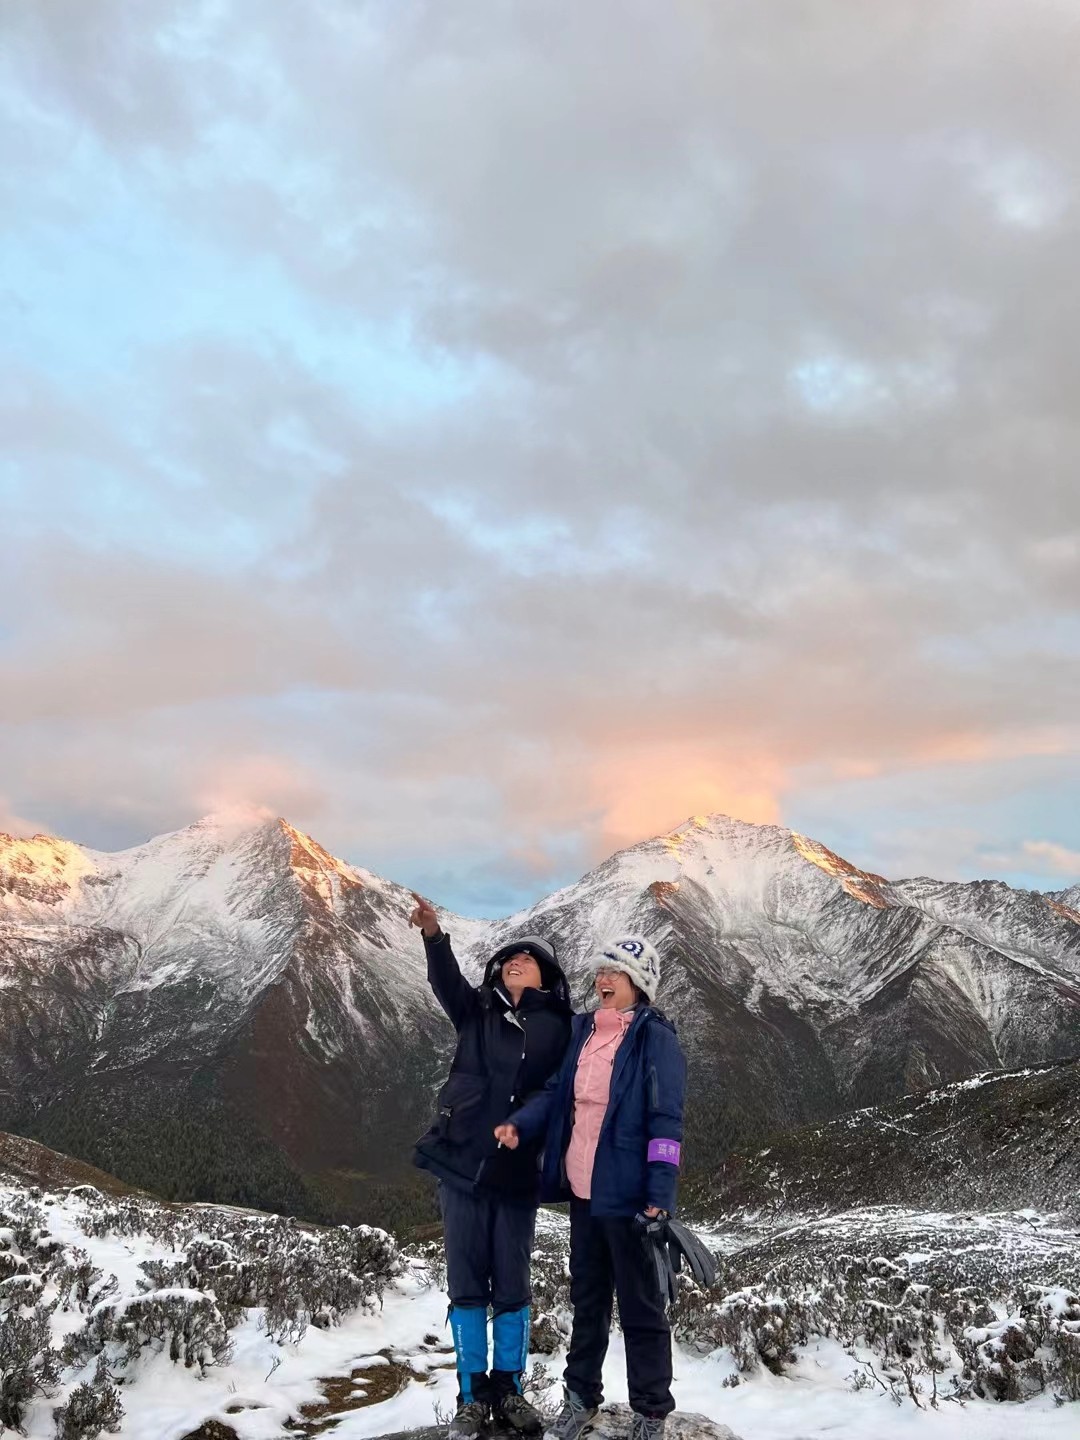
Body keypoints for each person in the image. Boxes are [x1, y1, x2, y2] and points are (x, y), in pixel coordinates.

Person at [495, 936, 686, 1440]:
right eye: (601, 971)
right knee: (588, 1302)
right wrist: (520, 1124)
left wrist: (660, 1196)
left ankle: (651, 1413)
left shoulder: (654, 1039)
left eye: (615, 973)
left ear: (638, 984)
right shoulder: (582, 1031)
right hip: (583, 1194)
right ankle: (581, 1399)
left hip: (630, 1201)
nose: (604, 980)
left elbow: (666, 1122)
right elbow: (556, 1093)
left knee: (642, 1309)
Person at [410, 893, 573, 1437]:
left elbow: (557, 1090)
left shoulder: (562, 1027)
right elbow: (445, 983)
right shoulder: (477, 1009)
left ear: (546, 976)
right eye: (508, 958)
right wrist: (434, 935)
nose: (514, 962)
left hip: (518, 1171)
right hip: (460, 1159)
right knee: (466, 1285)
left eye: (527, 959)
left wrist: (522, 1123)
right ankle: (471, 1395)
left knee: (511, 1284)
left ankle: (509, 1389)